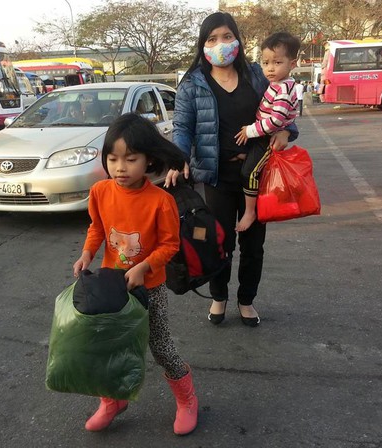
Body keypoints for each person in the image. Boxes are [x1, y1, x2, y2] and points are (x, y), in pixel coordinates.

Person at [165, 12, 298, 327]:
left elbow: (286, 111)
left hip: (257, 175)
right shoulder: (193, 82)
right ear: (203, 45)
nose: (220, 45)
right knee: (219, 242)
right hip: (216, 177)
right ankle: (219, 296)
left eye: (226, 37)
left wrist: (287, 132)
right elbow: (183, 127)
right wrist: (177, 158)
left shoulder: (257, 74)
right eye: (212, 39)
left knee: (254, 244)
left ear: (237, 39)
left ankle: (246, 300)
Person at [72, 113, 198, 436]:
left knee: (159, 345)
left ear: (149, 159)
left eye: (130, 159)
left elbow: (170, 246)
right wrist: (87, 253)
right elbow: (97, 228)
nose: (120, 168)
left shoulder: (161, 202)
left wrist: (145, 267)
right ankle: (112, 400)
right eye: (113, 159)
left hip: (149, 288)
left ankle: (187, 400)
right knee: (108, 345)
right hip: (112, 286)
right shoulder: (100, 192)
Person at [233, 32, 300, 231]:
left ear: (292, 64)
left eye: (277, 62)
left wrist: (250, 131)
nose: (270, 68)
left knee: (249, 173)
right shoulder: (276, 84)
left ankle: (250, 211)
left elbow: (276, 121)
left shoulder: (285, 90)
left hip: (266, 139)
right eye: (266, 63)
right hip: (261, 138)